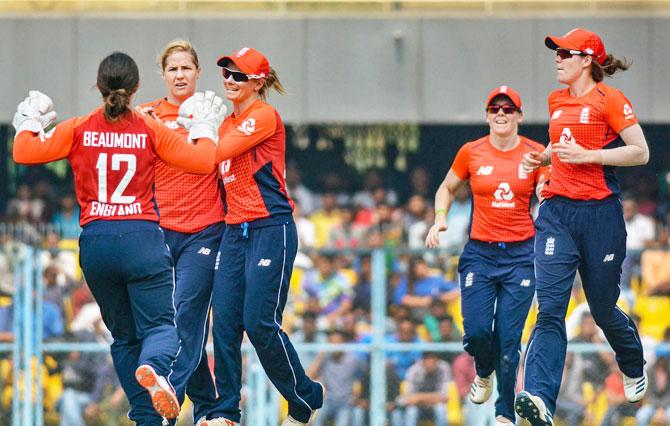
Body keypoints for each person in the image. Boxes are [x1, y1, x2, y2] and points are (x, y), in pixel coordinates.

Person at [12, 51, 223, 424]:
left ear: (99, 86)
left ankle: (146, 417)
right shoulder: (149, 127)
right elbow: (203, 161)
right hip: (141, 237)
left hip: (96, 241)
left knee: (123, 338)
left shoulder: (79, 128)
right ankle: (155, 368)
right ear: (137, 87)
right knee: (161, 327)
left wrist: (29, 121)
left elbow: (24, 151)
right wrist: (204, 127)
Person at [516, 28, 649, 426]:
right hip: (557, 213)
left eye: (564, 52)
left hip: (600, 216)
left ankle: (631, 361)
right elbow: (562, 146)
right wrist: (543, 160)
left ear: (588, 59)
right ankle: (539, 400)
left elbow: (641, 151)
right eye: (555, 52)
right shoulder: (556, 100)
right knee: (550, 311)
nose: (557, 58)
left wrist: (589, 155)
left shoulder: (611, 100)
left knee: (602, 308)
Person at [199, 47, 323, 426]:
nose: (229, 81)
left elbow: (219, 151)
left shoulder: (263, 116)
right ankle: (225, 411)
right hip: (236, 231)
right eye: (226, 74)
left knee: (259, 322)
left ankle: (304, 398)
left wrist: (199, 128)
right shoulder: (223, 125)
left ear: (258, 81)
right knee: (224, 325)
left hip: (271, 226)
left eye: (238, 75)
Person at [426, 85, 547, 426]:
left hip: (521, 255)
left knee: (509, 340)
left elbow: (545, 191)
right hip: (480, 252)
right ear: (487, 115)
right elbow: (447, 187)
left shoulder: (536, 153)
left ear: (520, 116)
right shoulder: (471, 152)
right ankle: (483, 372)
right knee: (478, 331)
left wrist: (543, 186)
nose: (501, 114)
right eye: (495, 109)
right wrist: (439, 219)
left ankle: (505, 413)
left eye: (508, 109)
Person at [139, 39, 224, 425]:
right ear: (163, 74)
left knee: (186, 315)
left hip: (204, 231)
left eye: (186, 68)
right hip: (158, 231)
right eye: (172, 69)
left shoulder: (213, 112)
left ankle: (167, 399)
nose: (179, 75)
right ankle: (207, 409)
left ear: (197, 72)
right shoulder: (145, 115)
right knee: (168, 321)